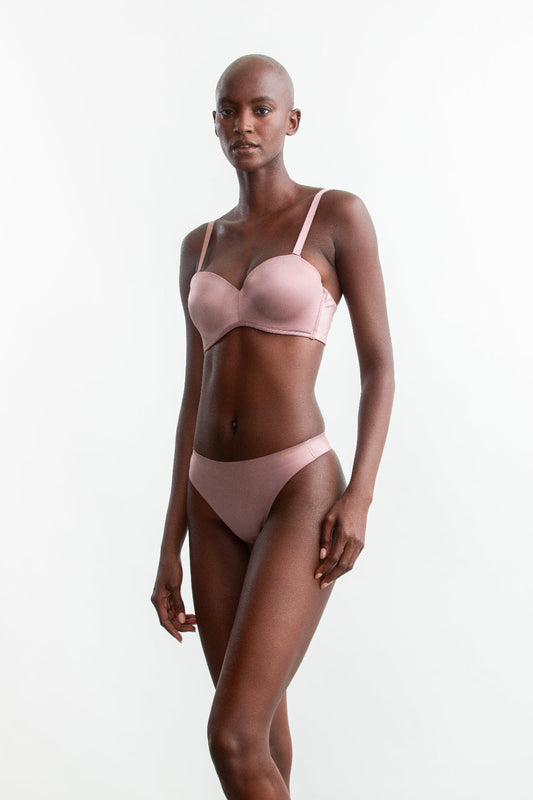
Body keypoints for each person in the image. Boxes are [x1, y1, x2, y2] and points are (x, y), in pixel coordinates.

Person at [151, 53, 395, 800]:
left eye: (261, 109)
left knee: (230, 736)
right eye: (229, 110)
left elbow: (379, 367)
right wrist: (169, 542)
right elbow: (193, 393)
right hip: (209, 497)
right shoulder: (199, 245)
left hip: (298, 487)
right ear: (213, 124)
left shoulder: (336, 215)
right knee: (258, 739)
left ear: (292, 120)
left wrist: (359, 496)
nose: (244, 124)